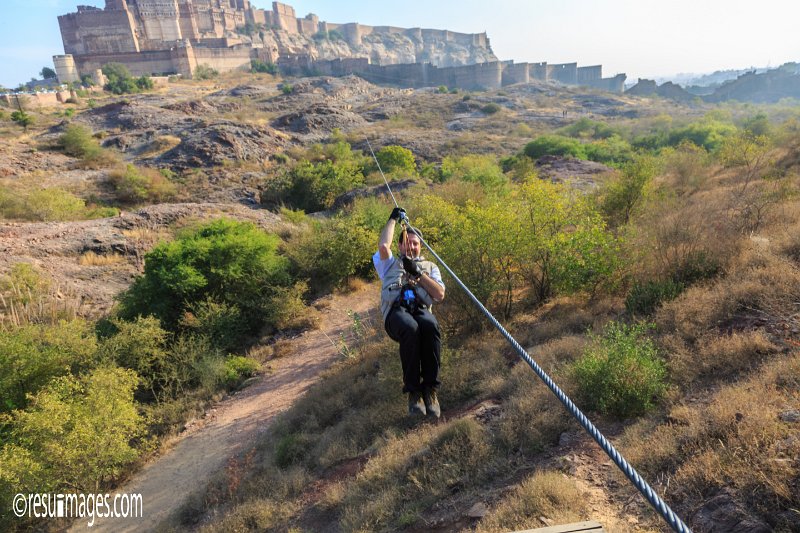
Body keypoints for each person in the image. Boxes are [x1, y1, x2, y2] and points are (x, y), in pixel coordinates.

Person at [373, 207, 446, 418]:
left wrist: (418, 273)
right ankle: (413, 393)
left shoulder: (430, 267)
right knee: (409, 327)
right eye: (407, 242)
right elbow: (382, 245)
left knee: (430, 326)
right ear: (400, 245)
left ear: (420, 246)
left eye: (415, 243)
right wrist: (393, 219)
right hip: (396, 314)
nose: (411, 246)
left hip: (420, 310)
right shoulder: (389, 264)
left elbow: (439, 294)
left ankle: (430, 390)